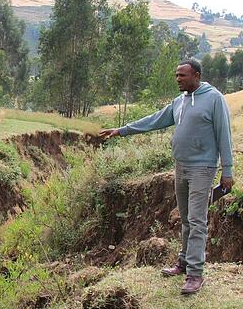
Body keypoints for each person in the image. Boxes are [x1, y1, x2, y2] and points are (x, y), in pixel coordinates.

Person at [99, 59, 234, 295]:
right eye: (176, 75)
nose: (178, 79)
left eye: (182, 75)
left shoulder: (214, 99)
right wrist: (122, 130)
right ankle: (183, 262)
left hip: (203, 168)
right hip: (181, 167)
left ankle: (195, 274)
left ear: (197, 76)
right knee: (185, 219)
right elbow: (154, 120)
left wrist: (228, 171)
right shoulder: (178, 102)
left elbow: (225, 135)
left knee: (197, 220)